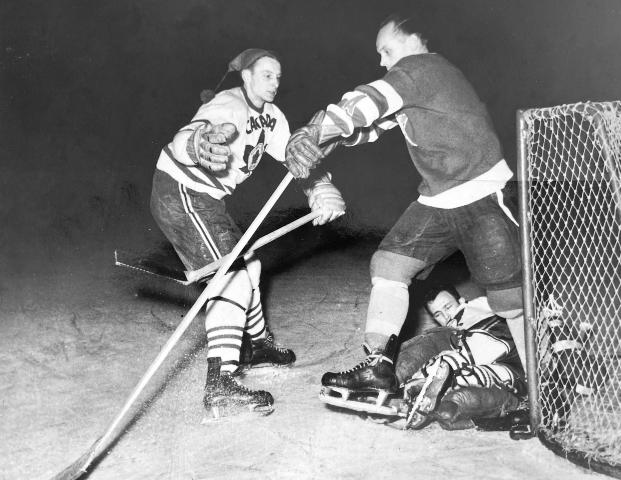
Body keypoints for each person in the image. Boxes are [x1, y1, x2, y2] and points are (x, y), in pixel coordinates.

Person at [284, 13, 525, 410]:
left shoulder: (423, 69)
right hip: (439, 200)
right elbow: (370, 126)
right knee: (390, 264)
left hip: (483, 194)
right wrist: (327, 142)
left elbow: (368, 101)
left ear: (414, 40)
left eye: (386, 50)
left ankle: (540, 383)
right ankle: (378, 367)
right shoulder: (415, 84)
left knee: (510, 301)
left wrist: (315, 130)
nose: (382, 61)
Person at [150, 49, 346, 419]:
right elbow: (186, 137)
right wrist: (196, 144)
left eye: (278, 76)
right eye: (267, 75)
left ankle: (257, 347)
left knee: (249, 264)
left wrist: (319, 187)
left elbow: (296, 158)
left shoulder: (272, 116)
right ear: (246, 77)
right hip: (180, 191)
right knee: (233, 277)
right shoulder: (229, 106)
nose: (275, 82)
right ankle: (220, 383)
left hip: (208, 200)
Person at [398, 285, 527, 430]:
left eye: (448, 307)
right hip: (506, 372)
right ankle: (412, 390)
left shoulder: (479, 304)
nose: (446, 316)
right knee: (451, 404)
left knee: (448, 356)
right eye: (438, 314)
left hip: (504, 344)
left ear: (461, 301)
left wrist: (423, 374)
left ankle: (417, 378)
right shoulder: (451, 329)